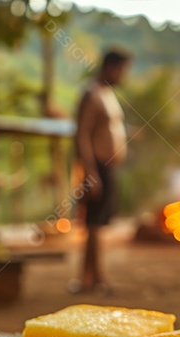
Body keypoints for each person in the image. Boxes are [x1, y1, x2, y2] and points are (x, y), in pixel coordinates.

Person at [72, 47, 132, 295]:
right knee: (94, 225)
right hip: (97, 168)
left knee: (98, 225)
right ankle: (94, 278)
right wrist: (90, 172)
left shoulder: (107, 94)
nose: (123, 75)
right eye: (121, 70)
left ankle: (90, 278)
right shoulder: (91, 93)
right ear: (111, 67)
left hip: (108, 168)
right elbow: (82, 134)